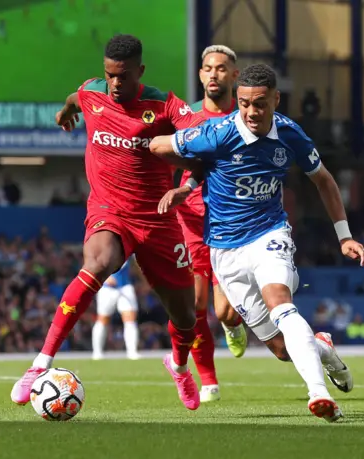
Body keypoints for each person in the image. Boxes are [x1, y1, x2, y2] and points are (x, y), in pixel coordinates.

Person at [149, 63, 364, 422]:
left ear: (275, 99)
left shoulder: (290, 134)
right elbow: (158, 145)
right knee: (281, 349)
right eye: (243, 104)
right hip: (224, 248)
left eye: (260, 104)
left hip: (269, 232)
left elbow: (325, 181)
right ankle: (325, 350)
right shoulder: (217, 133)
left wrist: (344, 236)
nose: (251, 112)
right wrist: (186, 183)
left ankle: (319, 395)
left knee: (280, 302)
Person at [10, 34, 206, 411]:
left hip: (158, 219)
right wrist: (67, 113)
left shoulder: (164, 106)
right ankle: (40, 364)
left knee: (185, 318)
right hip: (109, 210)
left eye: (124, 76)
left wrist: (190, 182)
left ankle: (179, 366)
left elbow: (200, 134)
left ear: (140, 71)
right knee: (97, 264)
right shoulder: (92, 93)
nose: (116, 83)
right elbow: (75, 98)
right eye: (110, 75)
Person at [163, 45, 247, 403]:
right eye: (208, 68)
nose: (214, 74)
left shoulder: (248, 116)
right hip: (191, 221)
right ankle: (208, 380)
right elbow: (167, 159)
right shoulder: (186, 117)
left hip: (231, 220)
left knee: (225, 310)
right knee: (194, 305)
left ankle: (233, 323)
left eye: (221, 68)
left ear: (234, 76)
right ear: (200, 75)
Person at [92, 257, 140, 360]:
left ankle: (132, 352)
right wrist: (104, 276)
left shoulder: (129, 244)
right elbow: (93, 261)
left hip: (125, 285)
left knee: (130, 319)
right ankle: (97, 352)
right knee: (103, 319)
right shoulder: (103, 243)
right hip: (107, 288)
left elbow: (135, 263)